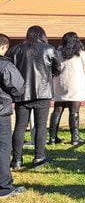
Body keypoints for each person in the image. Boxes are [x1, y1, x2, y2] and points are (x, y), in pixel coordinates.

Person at [10, 25, 61, 169]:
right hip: (43, 94)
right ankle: (39, 158)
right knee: (40, 126)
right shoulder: (49, 49)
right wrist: (49, 75)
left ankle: (17, 160)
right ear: (42, 35)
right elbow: (58, 68)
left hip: (22, 94)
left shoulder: (15, 49)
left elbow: (10, 70)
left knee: (19, 127)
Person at [49, 32, 85, 145]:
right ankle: (75, 138)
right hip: (76, 86)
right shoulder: (80, 53)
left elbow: (53, 69)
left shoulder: (57, 52)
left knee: (57, 111)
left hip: (60, 85)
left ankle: (52, 138)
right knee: (74, 112)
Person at [0, 34, 25, 198]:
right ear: (4, 47)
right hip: (1, 112)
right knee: (3, 148)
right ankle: (4, 187)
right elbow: (18, 87)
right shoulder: (4, 65)